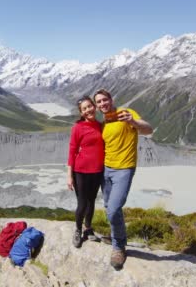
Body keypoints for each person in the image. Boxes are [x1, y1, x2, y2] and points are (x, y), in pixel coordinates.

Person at [93, 88, 153, 270]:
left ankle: (119, 248)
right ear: (97, 106)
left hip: (124, 169)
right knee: (108, 207)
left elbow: (148, 130)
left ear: (111, 99)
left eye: (105, 100)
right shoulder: (104, 122)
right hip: (106, 170)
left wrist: (133, 121)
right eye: (99, 102)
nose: (103, 103)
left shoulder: (126, 113)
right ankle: (116, 236)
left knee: (113, 209)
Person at [67, 96, 104, 248]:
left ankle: (88, 228)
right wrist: (69, 175)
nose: (88, 110)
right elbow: (72, 151)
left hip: (97, 171)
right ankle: (77, 229)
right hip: (80, 171)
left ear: (94, 106)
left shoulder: (100, 126)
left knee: (91, 202)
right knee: (82, 203)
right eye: (84, 109)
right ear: (81, 113)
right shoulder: (78, 127)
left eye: (90, 106)